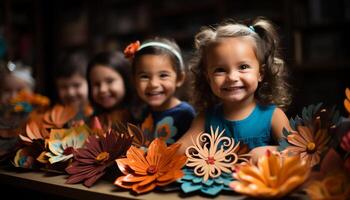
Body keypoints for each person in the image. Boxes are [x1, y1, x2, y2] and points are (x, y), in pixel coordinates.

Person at [177, 17, 292, 159]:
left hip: (261, 181)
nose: (232, 77)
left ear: (260, 73)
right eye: (220, 70)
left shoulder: (274, 116)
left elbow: (296, 151)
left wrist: (271, 151)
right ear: (208, 78)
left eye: (243, 67)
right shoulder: (205, 120)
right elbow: (179, 151)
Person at [125, 37, 195, 144]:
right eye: (144, 76)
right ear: (134, 80)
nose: (153, 84)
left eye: (163, 75)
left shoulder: (186, 114)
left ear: (179, 78)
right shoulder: (142, 112)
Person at [86, 51, 133, 129]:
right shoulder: (91, 123)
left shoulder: (142, 118)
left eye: (110, 81)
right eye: (96, 84)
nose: (102, 89)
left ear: (126, 80)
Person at [54, 50, 92, 118]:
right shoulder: (53, 118)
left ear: (90, 82)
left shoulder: (100, 115)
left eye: (76, 85)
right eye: (63, 87)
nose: (70, 93)